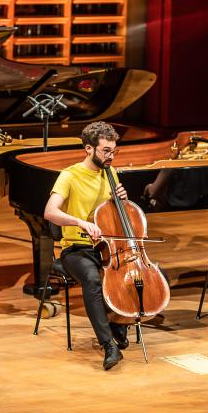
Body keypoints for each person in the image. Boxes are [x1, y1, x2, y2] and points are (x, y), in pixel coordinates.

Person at [43, 121, 139, 370]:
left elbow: (114, 216)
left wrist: (123, 201)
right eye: (106, 150)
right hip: (75, 248)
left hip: (107, 246)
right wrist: (79, 223)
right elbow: (50, 212)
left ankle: (119, 322)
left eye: (113, 150)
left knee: (129, 276)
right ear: (88, 148)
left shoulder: (111, 172)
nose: (111, 156)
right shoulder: (70, 175)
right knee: (93, 279)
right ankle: (108, 344)